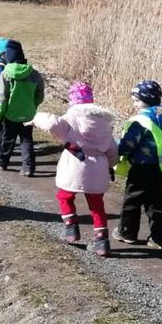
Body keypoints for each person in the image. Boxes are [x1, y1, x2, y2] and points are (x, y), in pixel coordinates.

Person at [32, 82, 120, 257]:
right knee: (97, 205)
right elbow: (112, 149)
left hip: (75, 162)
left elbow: (51, 123)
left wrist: (35, 117)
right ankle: (102, 241)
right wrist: (110, 166)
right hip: (98, 166)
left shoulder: (70, 118)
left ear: (73, 100)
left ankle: (71, 230)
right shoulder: (103, 123)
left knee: (65, 196)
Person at [112, 80, 162, 251]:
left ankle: (126, 232)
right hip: (161, 167)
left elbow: (129, 144)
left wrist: (117, 149)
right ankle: (161, 238)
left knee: (132, 200)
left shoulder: (141, 121)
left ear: (147, 99)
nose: (135, 104)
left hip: (142, 167)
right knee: (155, 201)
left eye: (137, 100)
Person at [0, 40, 44, 176]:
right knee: (26, 141)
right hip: (28, 115)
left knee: (8, 139)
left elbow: (1, 97)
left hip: (10, 114)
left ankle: (2, 162)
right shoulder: (34, 74)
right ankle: (28, 167)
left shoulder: (5, 74)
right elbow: (40, 95)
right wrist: (33, 106)